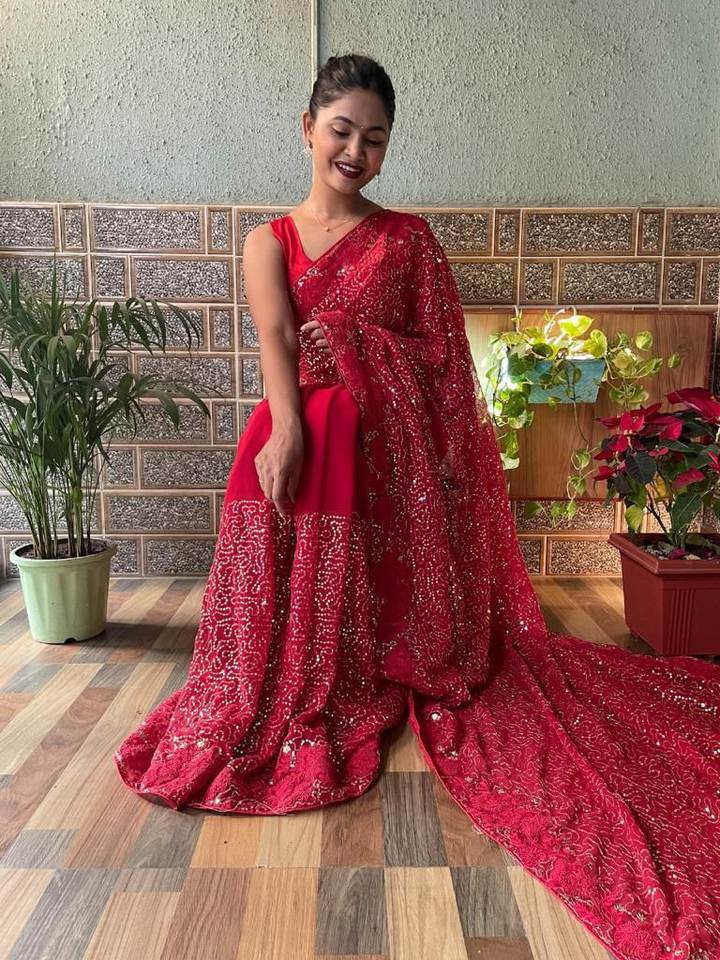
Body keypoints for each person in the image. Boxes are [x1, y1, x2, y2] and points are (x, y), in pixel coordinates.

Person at [114, 53, 720, 960]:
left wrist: (403, 411)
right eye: (341, 130)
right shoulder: (267, 240)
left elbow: (440, 360)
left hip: (386, 452)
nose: (355, 150)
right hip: (298, 430)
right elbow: (277, 336)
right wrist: (287, 430)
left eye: (375, 138)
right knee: (265, 631)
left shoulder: (408, 241)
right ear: (307, 129)